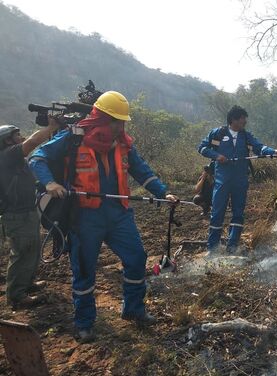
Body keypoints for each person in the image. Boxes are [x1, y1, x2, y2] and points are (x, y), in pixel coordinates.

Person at [29, 91, 178, 343]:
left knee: (136, 258)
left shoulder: (123, 144)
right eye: (115, 121)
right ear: (100, 118)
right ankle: (84, 323)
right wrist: (50, 183)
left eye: (122, 122)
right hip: (85, 217)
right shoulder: (73, 138)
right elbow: (37, 157)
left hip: (119, 215)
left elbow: (143, 171)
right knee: (84, 269)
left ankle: (133, 310)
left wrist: (164, 192)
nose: (120, 126)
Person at [198, 105, 277, 253]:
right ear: (233, 120)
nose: (245, 122)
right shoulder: (217, 134)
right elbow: (202, 148)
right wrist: (217, 156)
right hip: (221, 180)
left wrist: (273, 152)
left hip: (240, 180)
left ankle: (232, 246)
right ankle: (212, 248)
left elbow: (259, 148)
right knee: (217, 213)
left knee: (238, 213)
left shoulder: (246, 136)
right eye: (243, 119)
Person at [0, 119, 60, 309]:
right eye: (17, 135)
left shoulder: (14, 159)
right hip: (17, 215)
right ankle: (16, 296)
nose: (21, 137)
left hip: (27, 211)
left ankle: (26, 283)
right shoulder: (7, 155)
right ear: (8, 141)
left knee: (32, 249)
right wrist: (51, 127)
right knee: (22, 252)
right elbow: (32, 143)